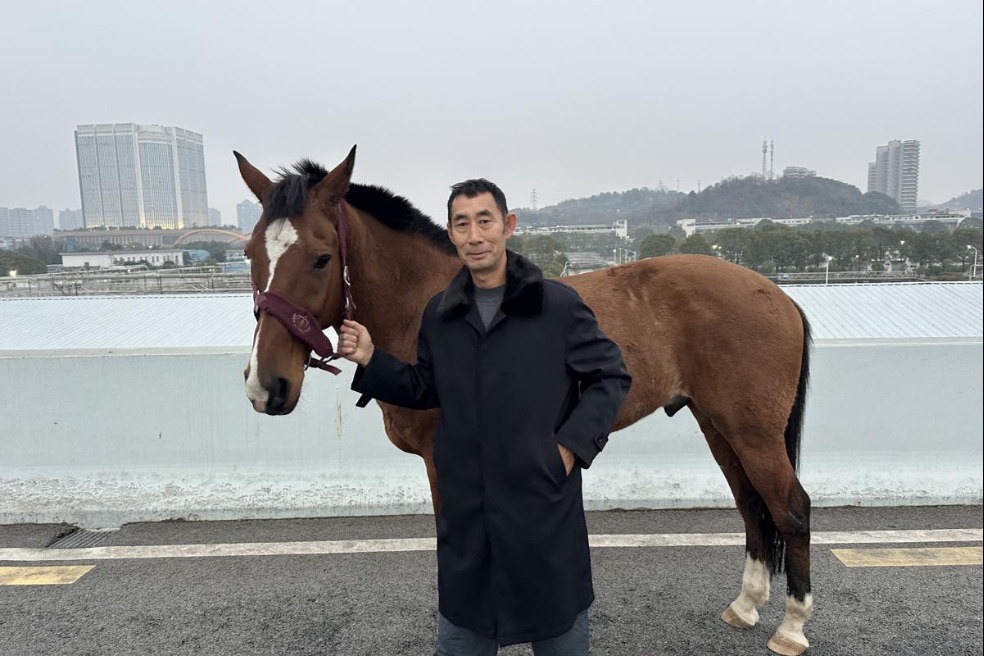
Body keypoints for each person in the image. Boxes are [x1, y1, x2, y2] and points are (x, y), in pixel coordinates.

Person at [338, 179, 631, 655]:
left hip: (542, 512)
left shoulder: (556, 306)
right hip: (468, 518)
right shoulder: (440, 314)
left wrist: (570, 449)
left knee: (561, 639)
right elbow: (426, 388)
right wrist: (374, 360)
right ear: (451, 235)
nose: (474, 235)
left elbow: (610, 376)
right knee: (459, 640)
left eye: (484, 221)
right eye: (461, 224)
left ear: (507, 227)